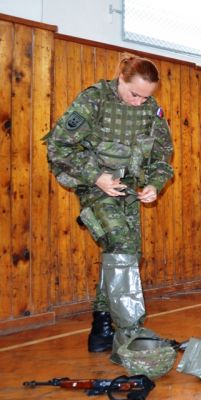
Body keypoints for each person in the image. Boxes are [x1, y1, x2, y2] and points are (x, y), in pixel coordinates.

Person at [45, 54, 174, 361]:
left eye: (146, 97)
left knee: (125, 255)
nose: (139, 102)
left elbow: (161, 154)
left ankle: (102, 328)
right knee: (122, 244)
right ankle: (130, 332)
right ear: (121, 79)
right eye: (134, 94)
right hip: (94, 187)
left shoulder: (150, 110)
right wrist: (96, 176)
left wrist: (154, 184)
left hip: (128, 190)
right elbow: (58, 147)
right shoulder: (93, 101)